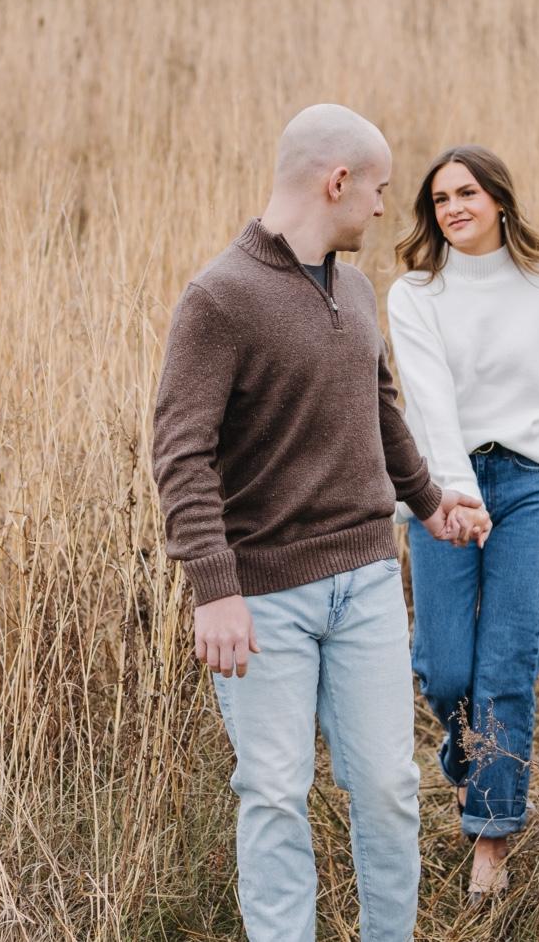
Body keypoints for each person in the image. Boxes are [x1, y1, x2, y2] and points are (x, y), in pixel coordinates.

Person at [152, 104, 491, 942]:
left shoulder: (354, 286)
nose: (383, 207)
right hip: (264, 602)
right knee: (273, 791)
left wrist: (428, 499)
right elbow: (180, 455)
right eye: (376, 189)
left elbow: (378, 412)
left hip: (369, 584)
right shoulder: (219, 299)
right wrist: (214, 590)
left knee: (387, 786)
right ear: (336, 181)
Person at [386, 144, 539, 905]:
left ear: (499, 199)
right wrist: (459, 497)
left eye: (467, 193)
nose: (453, 209)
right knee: (443, 667)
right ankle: (469, 757)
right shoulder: (416, 293)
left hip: (530, 488)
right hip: (442, 487)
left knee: (510, 663)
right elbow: (429, 401)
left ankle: (491, 842)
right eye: (440, 200)